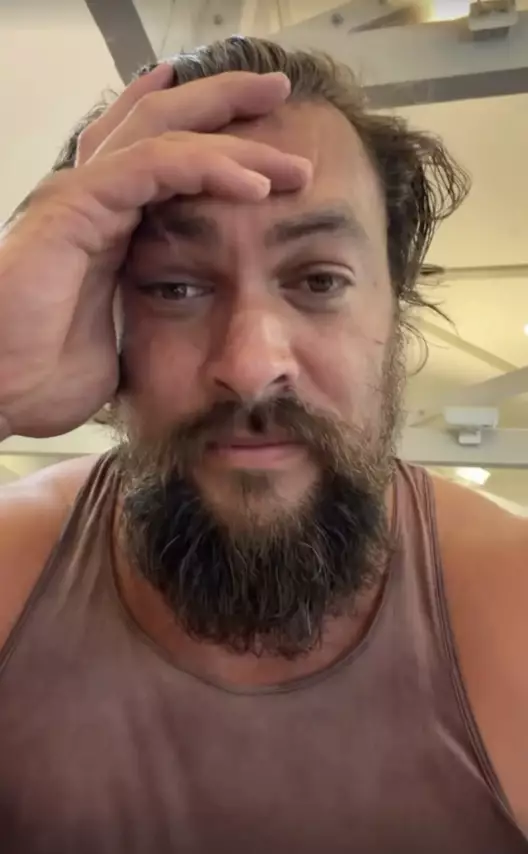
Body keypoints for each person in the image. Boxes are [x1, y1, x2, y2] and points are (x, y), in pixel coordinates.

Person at [0, 34, 526, 854]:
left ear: (397, 314)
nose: (250, 366)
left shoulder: (513, 609)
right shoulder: (14, 572)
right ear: (101, 315)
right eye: (175, 286)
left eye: (318, 280)